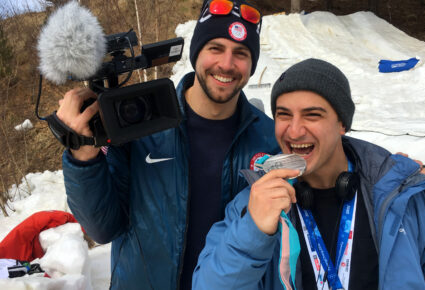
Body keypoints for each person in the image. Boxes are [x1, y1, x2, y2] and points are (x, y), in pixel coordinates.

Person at [56, 1, 280, 289]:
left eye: (241, 53)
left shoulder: (269, 139)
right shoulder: (141, 126)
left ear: (252, 64)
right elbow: (102, 228)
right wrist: (83, 156)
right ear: (196, 53)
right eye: (215, 49)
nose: (226, 64)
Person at [192, 58, 425, 289]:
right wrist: (253, 231)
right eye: (284, 115)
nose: (294, 131)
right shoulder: (254, 203)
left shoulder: (402, 195)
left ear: (342, 123)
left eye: (312, 115)